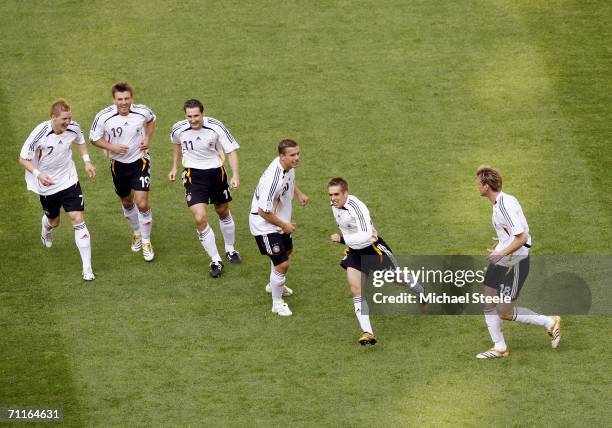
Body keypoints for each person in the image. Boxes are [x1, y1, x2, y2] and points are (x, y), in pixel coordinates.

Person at [475, 165, 561, 359]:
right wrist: (501, 244)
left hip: (515, 262)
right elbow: (513, 231)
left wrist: (501, 253)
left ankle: (549, 322)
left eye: (478, 184)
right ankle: (499, 347)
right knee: (487, 299)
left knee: (503, 312)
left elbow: (522, 237)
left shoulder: (504, 205)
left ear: (486, 186)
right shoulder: (501, 202)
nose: (477, 187)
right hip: (504, 257)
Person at [328, 177, 425, 346]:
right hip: (355, 252)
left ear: (346, 193)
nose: (333, 198)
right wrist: (350, 246)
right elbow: (344, 227)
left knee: (398, 279)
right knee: (356, 289)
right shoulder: (334, 206)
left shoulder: (357, 208)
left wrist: (343, 240)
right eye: (330, 195)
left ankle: (420, 291)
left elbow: (367, 235)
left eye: (336, 194)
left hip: (374, 250)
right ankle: (368, 332)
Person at [19, 99, 97, 281]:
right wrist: (38, 174)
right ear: (53, 117)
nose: (68, 122)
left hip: (69, 179)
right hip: (46, 183)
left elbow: (80, 140)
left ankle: (87, 268)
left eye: (69, 118)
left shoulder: (74, 127)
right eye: (64, 119)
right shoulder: (39, 134)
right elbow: (23, 158)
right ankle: (46, 229)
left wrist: (86, 161)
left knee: (77, 218)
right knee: (54, 221)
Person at [168, 99, 241, 277]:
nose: (193, 120)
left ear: (203, 113)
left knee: (223, 211)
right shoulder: (178, 128)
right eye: (189, 116)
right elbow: (177, 145)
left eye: (196, 116)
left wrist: (235, 175)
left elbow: (230, 151)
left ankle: (230, 249)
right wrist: (175, 167)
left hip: (216, 173)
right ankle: (215, 259)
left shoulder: (216, 127)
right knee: (200, 218)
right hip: (193, 175)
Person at [90, 82, 157, 261]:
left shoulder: (142, 111)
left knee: (142, 203)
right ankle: (136, 232)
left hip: (140, 160)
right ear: (114, 100)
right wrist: (111, 146)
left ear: (131, 98)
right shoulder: (103, 116)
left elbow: (151, 121)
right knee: (127, 202)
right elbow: (93, 138)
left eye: (127, 98)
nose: (123, 102)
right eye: (120, 99)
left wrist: (148, 139)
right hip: (118, 164)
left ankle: (146, 241)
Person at [249, 139, 309, 316]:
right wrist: (285, 226)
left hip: (280, 219)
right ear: (282, 156)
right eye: (292, 155)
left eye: (298, 153)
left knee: (286, 252)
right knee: (282, 264)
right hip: (265, 225)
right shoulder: (271, 179)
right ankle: (277, 302)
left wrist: (299, 194)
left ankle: (273, 284)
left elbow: (288, 181)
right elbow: (263, 211)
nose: (297, 158)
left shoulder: (287, 167)